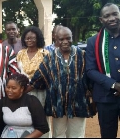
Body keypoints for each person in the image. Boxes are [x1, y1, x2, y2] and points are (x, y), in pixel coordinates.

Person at [26, 27, 95, 138]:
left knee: (77, 135)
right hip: (57, 103)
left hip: (78, 102)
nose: (65, 42)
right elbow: (38, 78)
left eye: (68, 38)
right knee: (58, 134)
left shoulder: (82, 55)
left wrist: (94, 98)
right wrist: (22, 90)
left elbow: (91, 77)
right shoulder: (50, 57)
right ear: (56, 40)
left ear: (73, 38)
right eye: (61, 39)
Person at [86, 3, 120, 138]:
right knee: (107, 135)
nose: (112, 18)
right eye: (107, 16)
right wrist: (114, 85)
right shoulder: (93, 41)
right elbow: (90, 70)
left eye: (115, 14)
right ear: (101, 20)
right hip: (106, 97)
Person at [16, 26, 51, 137]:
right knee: (26, 117)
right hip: (23, 91)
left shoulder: (45, 53)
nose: (29, 40)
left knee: (41, 117)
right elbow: (17, 71)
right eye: (27, 38)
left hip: (40, 91)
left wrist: (32, 86)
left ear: (38, 38)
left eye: (32, 38)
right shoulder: (20, 53)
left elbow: (46, 74)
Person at [0, 73, 49, 138]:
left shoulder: (32, 101)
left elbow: (43, 128)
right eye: (8, 87)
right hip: (8, 135)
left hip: (29, 135)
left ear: (22, 88)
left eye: (13, 88)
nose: (9, 90)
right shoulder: (3, 102)